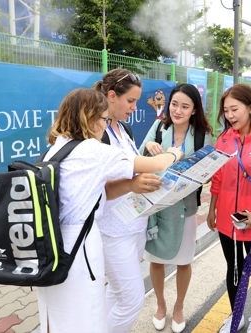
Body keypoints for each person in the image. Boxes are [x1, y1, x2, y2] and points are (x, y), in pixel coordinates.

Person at [36, 88, 183, 333]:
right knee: (91, 311)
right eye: (104, 120)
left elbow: (94, 194)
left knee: (60, 313)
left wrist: (131, 185)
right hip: (80, 244)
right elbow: (157, 163)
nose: (105, 126)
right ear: (90, 117)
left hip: (53, 240)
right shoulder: (92, 151)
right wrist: (174, 153)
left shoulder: (57, 147)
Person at [139, 83, 213, 333]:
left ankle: (179, 307)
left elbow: (207, 172)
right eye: (174, 104)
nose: (178, 110)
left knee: (183, 261)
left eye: (185, 106)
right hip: (157, 207)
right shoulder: (159, 128)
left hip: (186, 206)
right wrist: (148, 148)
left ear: (194, 110)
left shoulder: (202, 135)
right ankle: (161, 305)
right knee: (156, 259)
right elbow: (139, 157)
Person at [206, 84, 251, 333]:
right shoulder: (224, 139)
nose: (230, 115)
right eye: (226, 111)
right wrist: (213, 208)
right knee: (233, 268)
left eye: (235, 109)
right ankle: (237, 314)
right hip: (227, 220)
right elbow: (218, 177)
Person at [91, 68, 151, 333]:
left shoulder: (124, 128)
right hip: (113, 230)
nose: (135, 107)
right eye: (131, 101)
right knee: (132, 299)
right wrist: (133, 183)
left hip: (135, 223)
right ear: (112, 96)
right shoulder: (96, 131)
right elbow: (95, 187)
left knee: (117, 294)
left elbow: (130, 170)